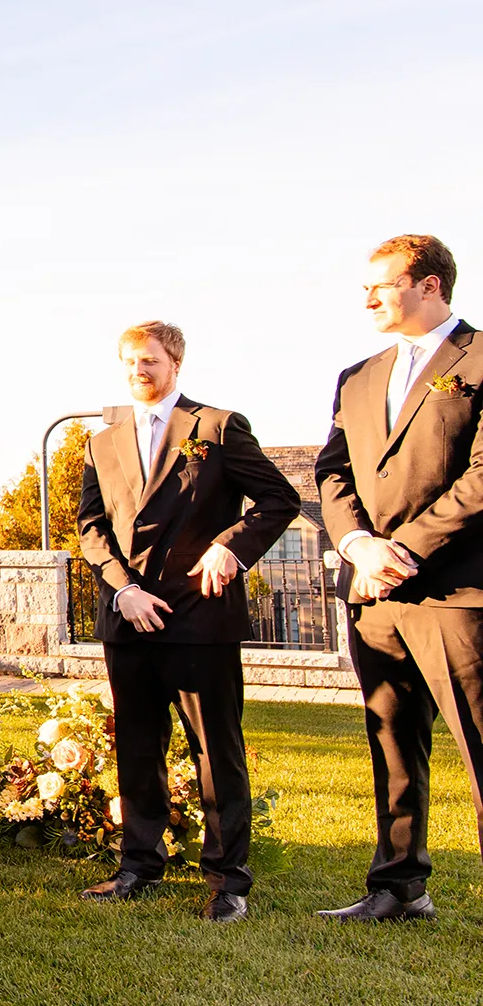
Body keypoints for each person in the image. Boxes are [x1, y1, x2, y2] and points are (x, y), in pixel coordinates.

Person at [76, 321, 297, 923]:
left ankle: (228, 881)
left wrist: (232, 547)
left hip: (199, 619)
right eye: (128, 362)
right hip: (128, 617)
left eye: (148, 361)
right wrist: (122, 591)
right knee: (137, 748)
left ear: (175, 363)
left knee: (215, 750)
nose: (137, 371)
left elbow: (280, 499)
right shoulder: (102, 441)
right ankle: (138, 866)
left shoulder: (218, 427)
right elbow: (92, 530)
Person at [315, 235, 483, 922]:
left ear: (431, 286)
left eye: (382, 285)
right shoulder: (357, 376)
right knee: (391, 741)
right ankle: (397, 887)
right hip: (373, 596)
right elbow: (332, 471)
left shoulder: (478, 359)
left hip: (460, 591)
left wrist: (404, 550)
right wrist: (357, 542)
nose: (369, 298)